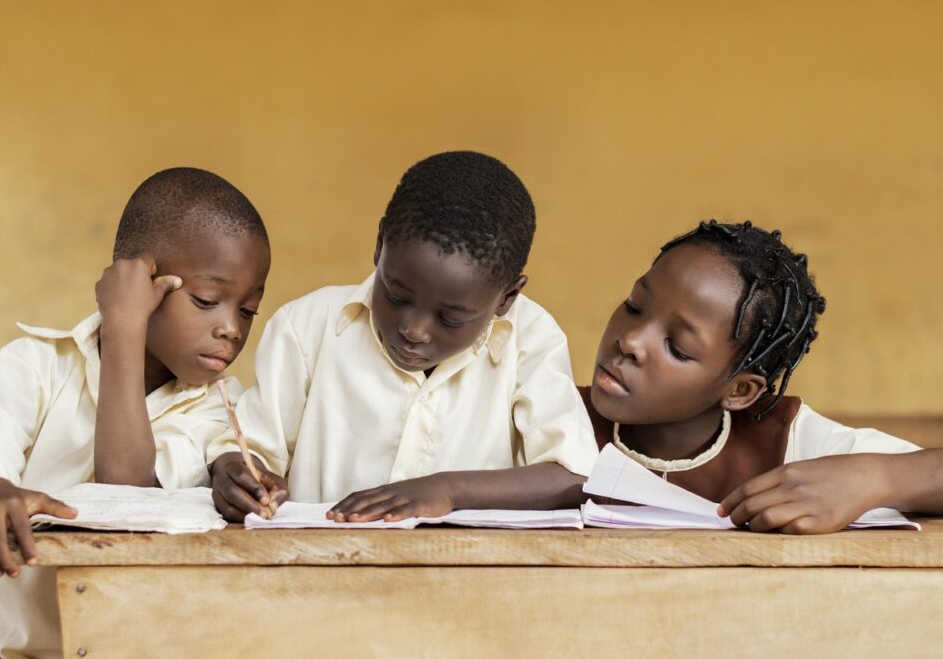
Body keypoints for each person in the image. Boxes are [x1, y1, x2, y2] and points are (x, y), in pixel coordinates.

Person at [0, 167, 271, 657]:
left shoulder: (222, 405)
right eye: (208, 301)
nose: (231, 329)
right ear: (141, 281)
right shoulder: (34, 368)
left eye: (247, 310)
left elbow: (125, 489)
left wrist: (125, 326)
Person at [210, 151, 597, 523]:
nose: (413, 330)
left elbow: (572, 475)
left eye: (451, 317)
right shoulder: (306, 327)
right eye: (395, 296)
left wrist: (449, 490)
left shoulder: (530, 338)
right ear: (380, 246)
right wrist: (237, 473)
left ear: (507, 298)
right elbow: (249, 450)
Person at [584, 219, 943, 534]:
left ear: (740, 390)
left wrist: (874, 478)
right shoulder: (548, 410)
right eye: (634, 305)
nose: (629, 340)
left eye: (677, 346)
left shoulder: (790, 443)